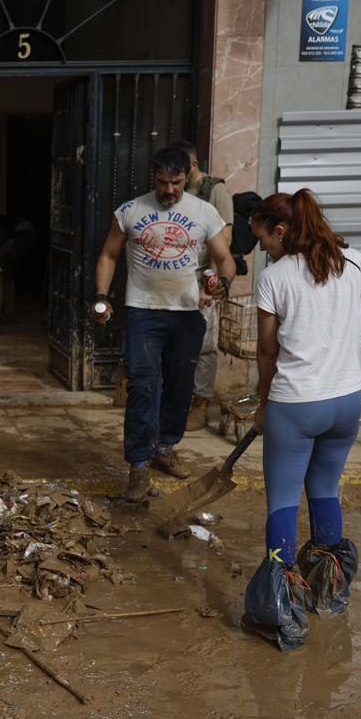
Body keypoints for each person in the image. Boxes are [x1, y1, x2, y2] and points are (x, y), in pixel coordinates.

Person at [243, 189, 361, 651]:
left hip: (297, 404)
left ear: (280, 231)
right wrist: (356, 321)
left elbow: (266, 350)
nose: (262, 250)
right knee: (323, 490)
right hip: (345, 402)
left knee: (281, 500)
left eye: (262, 239)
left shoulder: (275, 278)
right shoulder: (350, 260)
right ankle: (328, 593)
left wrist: (263, 406)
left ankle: (281, 611)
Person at [91, 145, 236, 501]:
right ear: (152, 177)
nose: (169, 189)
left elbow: (225, 259)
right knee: (143, 386)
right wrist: (101, 296)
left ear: (188, 176)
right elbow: (108, 255)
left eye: (176, 182)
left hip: (187, 314)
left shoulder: (204, 212)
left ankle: (165, 445)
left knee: (179, 386)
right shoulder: (131, 210)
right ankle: (138, 467)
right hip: (143, 311)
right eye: (162, 182)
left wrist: (222, 284)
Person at [175, 140, 235, 432]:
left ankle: (201, 404)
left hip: (203, 279)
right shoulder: (178, 190)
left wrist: (209, 285)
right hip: (175, 279)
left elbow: (224, 244)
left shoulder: (215, 191)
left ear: (193, 165)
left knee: (205, 345)